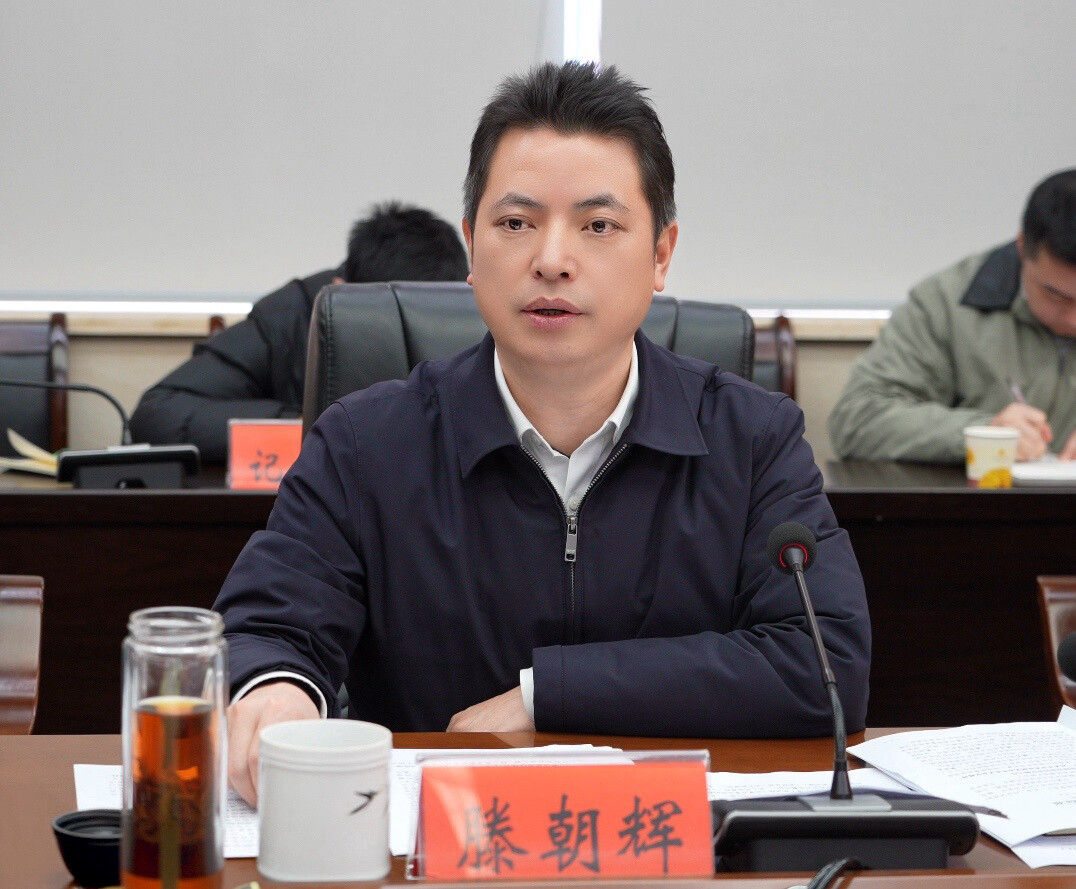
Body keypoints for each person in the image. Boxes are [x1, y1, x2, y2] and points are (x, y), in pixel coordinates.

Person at [216, 62, 871, 806]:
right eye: (516, 223)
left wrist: (547, 694)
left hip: (668, 844)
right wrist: (273, 689)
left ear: (661, 254)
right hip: (432, 844)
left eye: (598, 226)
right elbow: (268, 627)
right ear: (472, 246)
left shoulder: (750, 439)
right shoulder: (366, 445)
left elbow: (823, 661)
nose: (552, 260)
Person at [128, 202, 469, 463]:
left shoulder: (474, 314)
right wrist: (316, 423)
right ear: (342, 289)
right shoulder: (291, 316)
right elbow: (159, 414)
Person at [829, 169, 1076, 464]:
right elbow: (857, 420)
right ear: (1022, 247)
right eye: (1056, 296)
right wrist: (983, 433)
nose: (1073, 319)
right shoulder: (947, 303)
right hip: (982, 492)